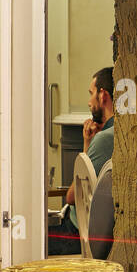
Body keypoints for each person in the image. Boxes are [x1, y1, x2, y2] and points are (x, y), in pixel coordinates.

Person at [47, 67, 115, 256]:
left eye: (91, 94)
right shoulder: (113, 134)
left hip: (77, 233)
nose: (89, 101)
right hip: (86, 230)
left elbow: (72, 197)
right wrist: (88, 143)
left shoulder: (105, 139)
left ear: (103, 96)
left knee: (31, 238)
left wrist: (89, 147)